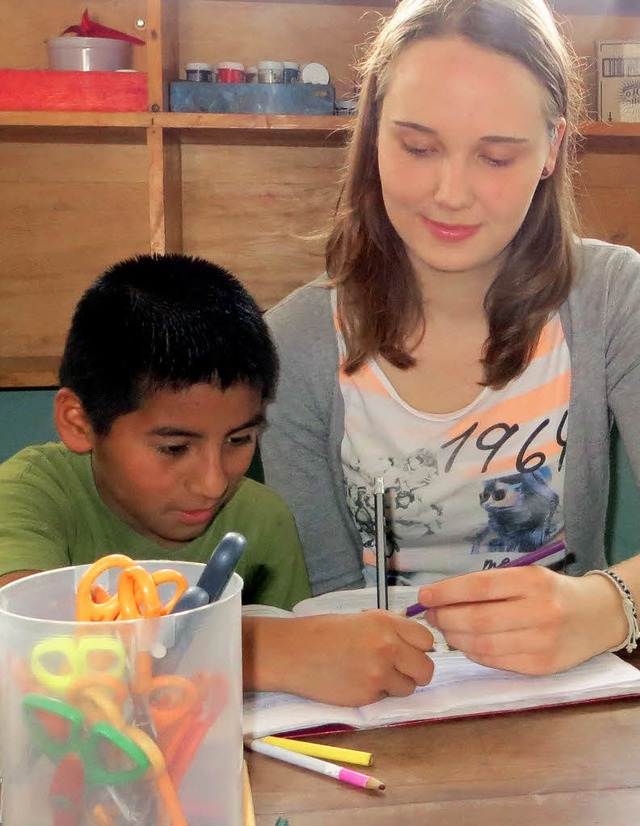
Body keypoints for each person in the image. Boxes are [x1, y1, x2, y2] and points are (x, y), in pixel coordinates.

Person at [261, 0, 640, 677]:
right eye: (418, 147)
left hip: (563, 706)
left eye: (496, 157)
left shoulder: (614, 298)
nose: (451, 192)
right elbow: (325, 600)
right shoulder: (293, 344)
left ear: (552, 150)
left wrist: (606, 604)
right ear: (373, 132)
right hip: (385, 713)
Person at [0, 253, 433, 707]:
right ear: (79, 421)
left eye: (239, 439)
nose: (212, 482)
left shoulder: (261, 519)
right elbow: (28, 646)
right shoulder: (27, 496)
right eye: (174, 448)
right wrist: (261, 651)